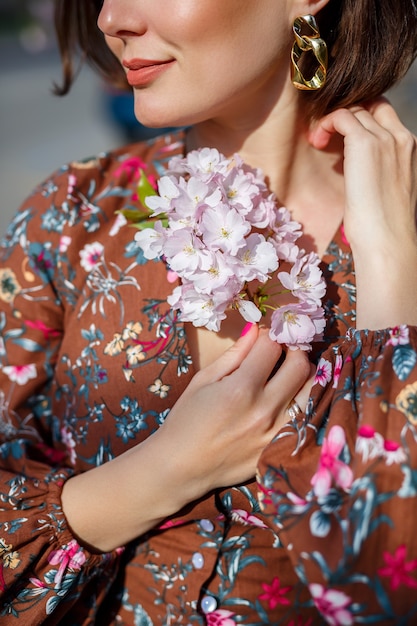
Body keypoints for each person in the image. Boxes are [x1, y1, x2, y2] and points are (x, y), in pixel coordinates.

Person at [1, 0, 417, 623]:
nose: (111, 18)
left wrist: (392, 260)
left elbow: (393, 572)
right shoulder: (73, 218)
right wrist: (165, 472)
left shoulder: (406, 237)